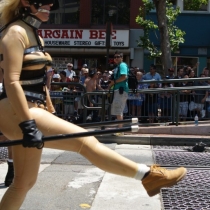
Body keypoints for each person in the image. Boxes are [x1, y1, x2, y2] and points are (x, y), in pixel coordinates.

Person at [0, 1, 186, 209]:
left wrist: (49, 109)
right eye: (45, 0)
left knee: (23, 183)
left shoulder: (33, 33)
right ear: (26, 1)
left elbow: (39, 80)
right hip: (16, 110)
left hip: (31, 109)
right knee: (85, 142)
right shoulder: (15, 32)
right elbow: (12, 81)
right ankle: (150, 176)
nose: (50, 5)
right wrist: (28, 124)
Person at [108, 51, 129, 136]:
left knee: (119, 110)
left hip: (121, 90)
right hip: (118, 90)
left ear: (122, 57)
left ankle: (120, 131)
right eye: (115, 57)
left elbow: (124, 76)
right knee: (118, 110)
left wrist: (114, 82)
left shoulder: (122, 65)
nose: (116, 58)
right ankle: (120, 129)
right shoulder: (117, 66)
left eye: (118, 56)